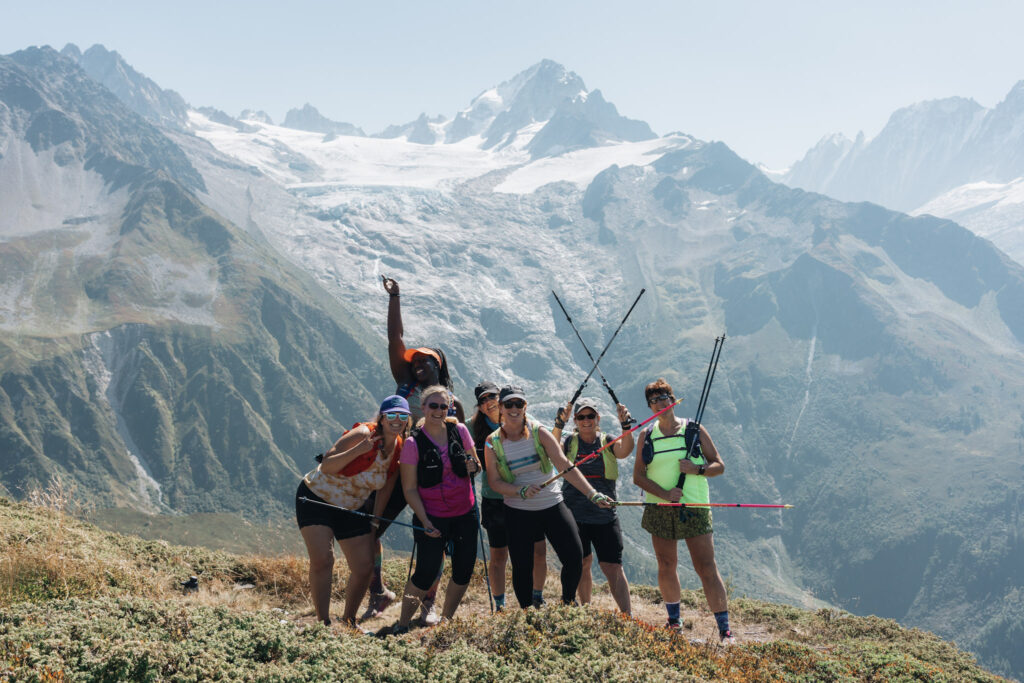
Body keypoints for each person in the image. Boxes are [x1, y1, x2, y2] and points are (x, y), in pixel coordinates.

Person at [362, 275, 463, 622]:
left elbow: (460, 442)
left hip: (433, 479)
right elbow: (395, 339)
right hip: (396, 470)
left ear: (440, 365)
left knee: (430, 543)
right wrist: (395, 297)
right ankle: (379, 592)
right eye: (415, 362)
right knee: (370, 528)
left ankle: (427, 603)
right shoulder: (404, 384)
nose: (418, 366)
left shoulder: (452, 403)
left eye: (426, 362)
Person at [484, 385, 613, 608]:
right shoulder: (492, 442)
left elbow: (564, 466)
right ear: (501, 409)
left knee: (575, 556)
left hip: (552, 505)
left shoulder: (539, 432)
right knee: (522, 567)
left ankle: (567, 604)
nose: (514, 408)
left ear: (525, 407)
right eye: (509, 404)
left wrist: (592, 494)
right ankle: (528, 615)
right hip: (517, 511)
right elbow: (494, 482)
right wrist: (519, 491)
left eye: (519, 404)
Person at [632, 378, 735, 644]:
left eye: (664, 397)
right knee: (666, 565)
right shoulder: (646, 435)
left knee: (706, 567)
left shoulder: (694, 430)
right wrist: (665, 494)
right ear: (650, 406)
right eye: (653, 400)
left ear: (673, 399)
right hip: (660, 508)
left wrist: (697, 469)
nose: (660, 403)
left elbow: (719, 465)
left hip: (695, 507)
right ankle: (674, 622)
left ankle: (725, 630)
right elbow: (638, 477)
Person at [295, 395, 411, 626]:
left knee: (364, 566)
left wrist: (375, 522)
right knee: (323, 560)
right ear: (382, 417)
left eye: (403, 416)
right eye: (391, 415)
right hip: (317, 498)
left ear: (408, 419)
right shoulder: (363, 434)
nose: (397, 420)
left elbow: (386, 487)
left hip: (352, 507)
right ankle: (323, 623)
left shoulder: (399, 448)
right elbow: (327, 465)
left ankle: (349, 622)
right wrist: (359, 450)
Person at [385, 385, 481, 635]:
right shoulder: (412, 444)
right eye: (433, 406)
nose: (439, 411)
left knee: (463, 570)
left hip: (465, 513)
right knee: (425, 573)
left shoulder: (459, 430)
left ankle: (446, 621)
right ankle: (403, 623)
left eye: (443, 406)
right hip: (432, 516)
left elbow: (476, 464)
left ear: (449, 408)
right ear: (423, 408)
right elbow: (409, 489)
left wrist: (473, 466)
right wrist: (425, 520)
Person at [468, 381, 548, 611]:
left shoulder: (523, 420)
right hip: (496, 498)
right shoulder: (473, 428)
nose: (488, 402)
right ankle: (501, 604)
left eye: (491, 396)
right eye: (482, 400)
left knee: (537, 549)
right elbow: (455, 434)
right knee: (499, 554)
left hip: (527, 495)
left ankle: (537, 596)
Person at [552, 397, 634, 614]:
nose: (586, 420)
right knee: (583, 562)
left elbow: (625, 450)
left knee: (613, 566)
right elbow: (552, 450)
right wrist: (559, 424)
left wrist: (626, 425)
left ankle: (628, 616)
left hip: (604, 515)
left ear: (598, 418)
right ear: (576, 420)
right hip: (574, 514)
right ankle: (586, 611)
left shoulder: (607, 441)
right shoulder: (569, 442)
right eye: (581, 417)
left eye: (590, 416)